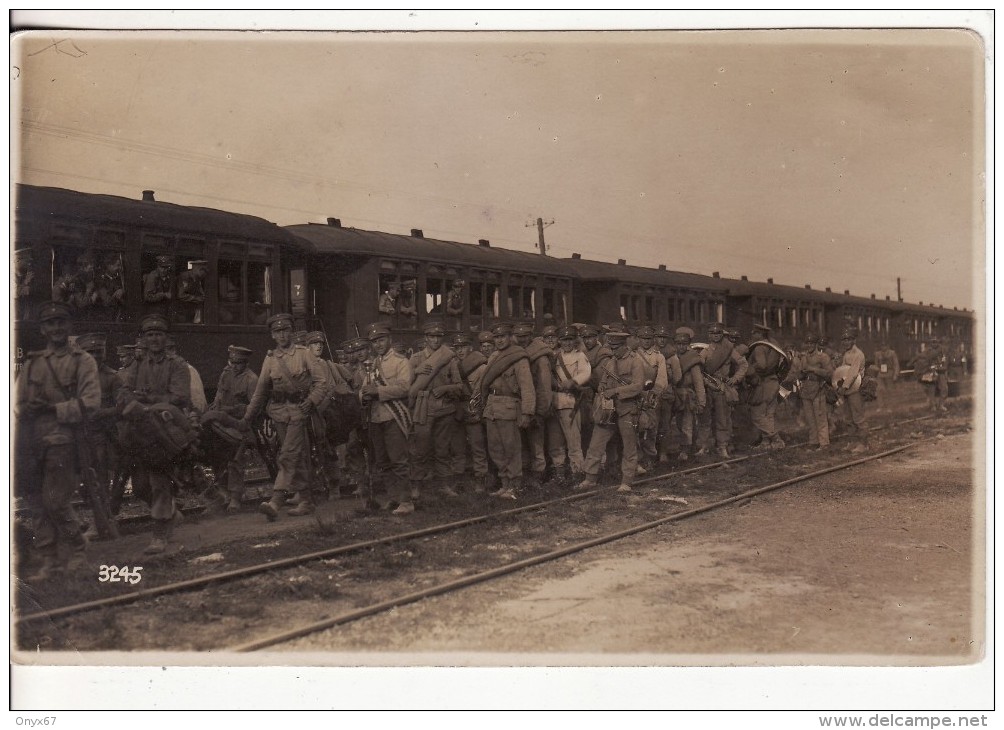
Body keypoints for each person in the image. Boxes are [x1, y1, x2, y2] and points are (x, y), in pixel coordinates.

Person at [15, 302, 101, 581]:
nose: (56, 329)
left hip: (64, 437)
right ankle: (50, 560)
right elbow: (16, 402)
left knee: (54, 500)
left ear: (69, 327)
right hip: (31, 440)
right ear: (42, 330)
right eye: (50, 324)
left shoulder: (82, 361)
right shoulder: (32, 363)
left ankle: (78, 548)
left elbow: (91, 403)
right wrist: (25, 408)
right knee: (35, 501)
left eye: (61, 323)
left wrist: (53, 409)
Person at [115, 313, 192, 554]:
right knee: (139, 486)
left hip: (165, 431)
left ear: (166, 337)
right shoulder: (138, 365)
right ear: (144, 339)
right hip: (139, 431)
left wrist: (146, 400)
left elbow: (180, 396)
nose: (155, 339)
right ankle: (169, 513)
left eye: (159, 334)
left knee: (159, 480)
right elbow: (125, 391)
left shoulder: (177, 364)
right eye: (150, 335)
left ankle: (160, 536)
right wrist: (130, 398)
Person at [240, 313, 329, 520]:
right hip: (278, 413)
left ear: (291, 331)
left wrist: (312, 400)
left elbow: (321, 382)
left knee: (288, 454)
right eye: (277, 331)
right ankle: (306, 500)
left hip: (299, 410)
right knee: (296, 456)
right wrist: (247, 417)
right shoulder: (270, 359)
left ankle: (276, 501)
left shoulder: (304, 353)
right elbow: (261, 391)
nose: (282, 335)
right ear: (272, 335)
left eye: (286, 330)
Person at [359, 322, 416, 514]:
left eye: (381, 340)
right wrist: (363, 395)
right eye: (374, 342)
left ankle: (406, 501)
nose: (378, 345)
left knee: (398, 460)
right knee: (382, 462)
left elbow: (404, 387)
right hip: (376, 418)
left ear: (389, 340)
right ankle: (394, 498)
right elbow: (364, 388)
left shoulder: (401, 361)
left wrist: (378, 391)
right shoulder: (372, 364)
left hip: (393, 416)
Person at [579, 329, 645, 493]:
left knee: (629, 447)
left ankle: (627, 480)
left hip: (627, 409)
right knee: (596, 444)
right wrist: (602, 389)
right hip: (608, 411)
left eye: (616, 348)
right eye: (611, 347)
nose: (613, 351)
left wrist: (615, 392)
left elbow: (638, 386)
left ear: (624, 346)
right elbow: (603, 381)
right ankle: (590, 478)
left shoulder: (635, 361)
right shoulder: (610, 362)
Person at [409, 321, 465, 499]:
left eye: (438, 337)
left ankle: (444, 486)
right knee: (420, 450)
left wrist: (445, 389)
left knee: (442, 450)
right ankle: (416, 486)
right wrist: (416, 371)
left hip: (444, 409)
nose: (435, 340)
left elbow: (459, 386)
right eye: (431, 336)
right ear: (425, 338)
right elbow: (406, 385)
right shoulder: (415, 359)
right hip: (422, 409)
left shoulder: (449, 359)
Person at [75, 332, 123, 538]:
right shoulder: (75, 378)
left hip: (102, 437)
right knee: (77, 481)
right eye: (90, 352)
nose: (95, 356)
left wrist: (99, 413)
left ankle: (101, 525)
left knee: (100, 482)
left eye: (98, 352)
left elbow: (122, 407)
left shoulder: (113, 377)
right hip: (79, 436)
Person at [480, 322, 536, 500]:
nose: (499, 340)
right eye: (496, 337)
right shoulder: (493, 356)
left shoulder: (519, 357)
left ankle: (515, 485)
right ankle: (504, 484)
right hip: (492, 406)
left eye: (503, 336)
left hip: (509, 406)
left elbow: (527, 386)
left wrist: (527, 412)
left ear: (510, 337)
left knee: (511, 447)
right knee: (495, 448)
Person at [205, 345, 258, 512]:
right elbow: (219, 396)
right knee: (215, 454)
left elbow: (253, 409)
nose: (234, 366)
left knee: (235, 457)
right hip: (221, 423)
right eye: (232, 362)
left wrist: (232, 410)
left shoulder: (251, 379)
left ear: (246, 363)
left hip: (240, 425)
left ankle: (235, 496)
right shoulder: (226, 374)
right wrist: (214, 407)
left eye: (239, 363)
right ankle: (223, 493)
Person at [512, 322, 553, 487]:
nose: (522, 340)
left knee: (536, 444)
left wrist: (540, 411)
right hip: (519, 406)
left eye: (525, 336)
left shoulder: (540, 356)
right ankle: (524, 475)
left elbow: (544, 387)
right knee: (521, 443)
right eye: (519, 337)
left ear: (531, 336)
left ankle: (538, 476)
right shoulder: (516, 353)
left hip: (535, 407)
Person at [548, 325, 591, 481]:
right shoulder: (554, 356)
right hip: (554, 401)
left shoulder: (580, 356)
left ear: (575, 341)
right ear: (559, 341)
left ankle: (577, 472)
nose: (567, 343)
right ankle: (559, 473)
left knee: (573, 441)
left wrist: (573, 381)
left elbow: (586, 373)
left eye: (570, 340)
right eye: (564, 340)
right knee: (555, 441)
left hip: (570, 401)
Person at [699, 322, 748, 459]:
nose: (715, 336)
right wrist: (705, 381)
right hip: (708, 386)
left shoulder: (729, 350)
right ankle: (704, 446)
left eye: (718, 333)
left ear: (722, 335)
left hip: (722, 387)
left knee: (722, 418)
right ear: (709, 335)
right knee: (706, 418)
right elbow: (699, 370)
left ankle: (722, 447)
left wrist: (735, 379)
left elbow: (743, 364)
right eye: (713, 333)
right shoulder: (705, 351)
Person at [786, 332, 833, 450]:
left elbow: (829, 373)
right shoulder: (803, 357)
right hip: (806, 389)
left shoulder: (823, 357)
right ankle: (813, 442)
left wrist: (813, 369)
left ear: (816, 344)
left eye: (811, 343)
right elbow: (799, 373)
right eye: (807, 343)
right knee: (810, 418)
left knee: (820, 417)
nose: (809, 345)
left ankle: (824, 443)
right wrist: (799, 374)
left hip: (818, 389)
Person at [666, 327, 706, 462]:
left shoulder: (693, 359)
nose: (681, 347)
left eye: (684, 344)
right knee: (677, 423)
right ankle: (683, 446)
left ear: (688, 344)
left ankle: (686, 449)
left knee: (687, 423)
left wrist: (701, 401)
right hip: (674, 393)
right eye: (678, 344)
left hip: (687, 395)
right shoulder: (671, 357)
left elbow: (698, 382)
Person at [746, 322, 787, 450]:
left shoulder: (759, 347)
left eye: (755, 332)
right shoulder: (774, 344)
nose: (752, 334)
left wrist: (749, 368)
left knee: (757, 414)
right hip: (773, 382)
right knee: (769, 414)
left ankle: (776, 439)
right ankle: (766, 443)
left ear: (760, 334)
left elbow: (762, 365)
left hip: (763, 383)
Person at [634, 325, 670, 464]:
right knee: (635, 427)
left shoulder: (658, 356)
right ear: (638, 339)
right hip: (636, 394)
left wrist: (655, 392)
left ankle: (649, 457)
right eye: (643, 338)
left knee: (651, 427)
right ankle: (637, 458)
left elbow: (662, 378)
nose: (646, 341)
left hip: (652, 395)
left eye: (649, 338)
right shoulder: (633, 354)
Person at [833, 328, 869, 450]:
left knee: (858, 417)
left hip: (856, 388)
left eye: (848, 339)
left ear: (854, 340)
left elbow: (853, 373)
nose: (846, 342)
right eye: (844, 340)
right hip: (847, 388)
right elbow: (842, 371)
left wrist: (844, 387)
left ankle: (863, 444)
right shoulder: (846, 353)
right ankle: (852, 441)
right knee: (848, 417)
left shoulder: (857, 354)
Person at [908, 338, 949, 413]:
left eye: (936, 342)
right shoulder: (927, 351)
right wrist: (911, 362)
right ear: (930, 343)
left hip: (941, 371)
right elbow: (920, 357)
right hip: (931, 371)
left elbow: (946, 359)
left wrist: (945, 368)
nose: (934, 343)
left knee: (944, 388)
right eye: (932, 342)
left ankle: (941, 405)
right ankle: (932, 405)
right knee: (931, 389)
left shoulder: (943, 350)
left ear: (938, 343)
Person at [872, 340, 900, 412]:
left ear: (887, 346)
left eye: (885, 345)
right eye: (882, 345)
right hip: (880, 373)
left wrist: (896, 374)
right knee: (879, 390)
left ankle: (890, 407)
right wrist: (875, 371)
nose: (883, 347)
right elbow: (876, 364)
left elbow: (896, 364)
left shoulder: (892, 353)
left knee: (889, 390)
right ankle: (881, 406)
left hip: (890, 372)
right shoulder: (877, 354)